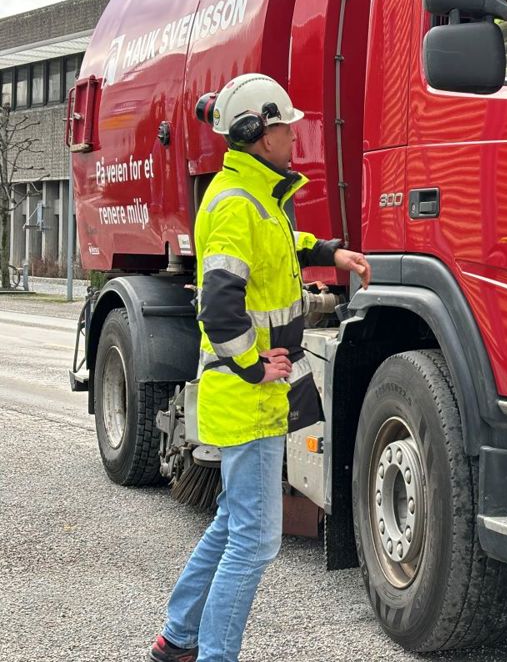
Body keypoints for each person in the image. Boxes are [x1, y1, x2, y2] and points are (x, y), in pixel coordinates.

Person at [149, 73, 371, 662]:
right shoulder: (235, 205)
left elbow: (281, 246)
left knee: (231, 523)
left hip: (254, 399)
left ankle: (176, 639)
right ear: (255, 133)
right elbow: (219, 311)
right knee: (254, 539)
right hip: (246, 399)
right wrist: (254, 367)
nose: (293, 134)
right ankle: (213, 654)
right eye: (283, 126)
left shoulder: (255, 198)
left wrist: (329, 253)